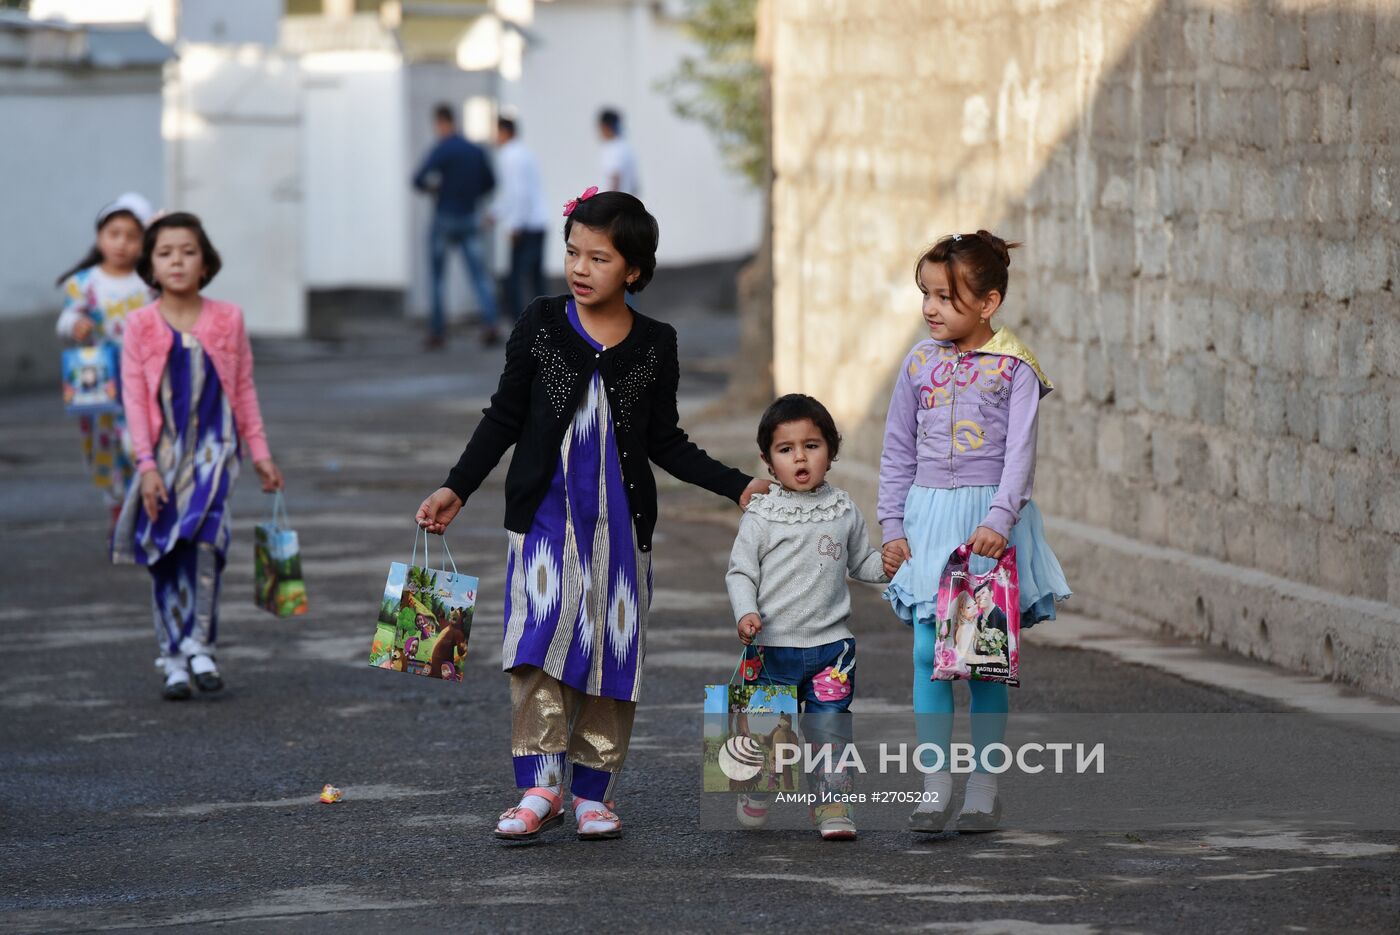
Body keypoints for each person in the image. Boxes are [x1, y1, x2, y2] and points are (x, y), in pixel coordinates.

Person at [415, 189, 769, 842]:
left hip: (620, 530)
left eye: (599, 257)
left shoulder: (657, 344)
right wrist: (455, 488)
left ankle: (592, 792)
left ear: (633, 270)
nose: (580, 268)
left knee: (611, 652)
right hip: (544, 522)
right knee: (537, 645)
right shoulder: (542, 323)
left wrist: (737, 485)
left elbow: (666, 440)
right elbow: (504, 416)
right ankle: (539, 785)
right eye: (573, 251)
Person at [879, 230, 1071, 833]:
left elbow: (1021, 455)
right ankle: (935, 787)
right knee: (925, 653)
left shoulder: (1015, 368)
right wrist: (891, 525)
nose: (930, 308)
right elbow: (896, 451)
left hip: (987, 524)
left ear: (987, 303)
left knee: (983, 657)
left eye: (945, 297)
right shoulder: (916, 364)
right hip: (928, 519)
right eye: (926, 295)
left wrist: (999, 520)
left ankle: (984, 789)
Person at [112, 213, 284, 701]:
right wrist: (145, 467)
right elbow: (134, 401)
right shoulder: (139, 324)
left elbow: (244, 388)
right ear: (149, 265)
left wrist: (260, 453)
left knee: (208, 545)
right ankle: (172, 657)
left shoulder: (229, 318)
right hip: (162, 463)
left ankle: (199, 643)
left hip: (214, 457)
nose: (177, 261)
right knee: (166, 556)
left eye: (188, 251)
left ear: (205, 261)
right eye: (165, 253)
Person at [726, 394, 887, 841]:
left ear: (831, 452)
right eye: (786, 449)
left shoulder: (844, 509)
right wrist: (747, 613)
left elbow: (861, 563)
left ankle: (833, 804)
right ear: (768, 461)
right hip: (771, 647)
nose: (800, 456)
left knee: (831, 728)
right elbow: (741, 572)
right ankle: (757, 790)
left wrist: (890, 564)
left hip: (831, 649)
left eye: (812, 445)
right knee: (764, 731)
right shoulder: (761, 516)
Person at [55, 193, 157, 529]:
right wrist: (76, 325)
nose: (122, 243)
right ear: (100, 238)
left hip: (141, 378)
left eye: (132, 235)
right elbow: (66, 319)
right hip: (96, 380)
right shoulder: (84, 283)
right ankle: (117, 508)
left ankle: (142, 505)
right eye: (114, 234)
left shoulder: (148, 283)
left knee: (138, 442)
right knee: (103, 445)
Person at [413, 103, 499, 348]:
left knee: (438, 277)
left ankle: (438, 331)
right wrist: (472, 195)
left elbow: (418, 179)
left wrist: (436, 189)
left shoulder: (442, 149)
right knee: (479, 275)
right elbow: (490, 182)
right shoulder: (474, 150)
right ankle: (490, 323)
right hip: (469, 216)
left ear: (441, 122)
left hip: (444, 216)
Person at [493, 115, 550, 322]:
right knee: (536, 279)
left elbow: (518, 193)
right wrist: (496, 213)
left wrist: (514, 224)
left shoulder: (509, 155)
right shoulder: (525, 153)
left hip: (525, 225)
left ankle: (521, 324)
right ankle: (546, 322)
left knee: (515, 279)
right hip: (538, 221)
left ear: (505, 132)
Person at [597, 108, 640, 196]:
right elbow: (635, 186)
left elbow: (615, 177)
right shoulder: (625, 147)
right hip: (626, 202)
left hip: (614, 204)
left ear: (604, 126)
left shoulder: (613, 148)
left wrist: (609, 205)